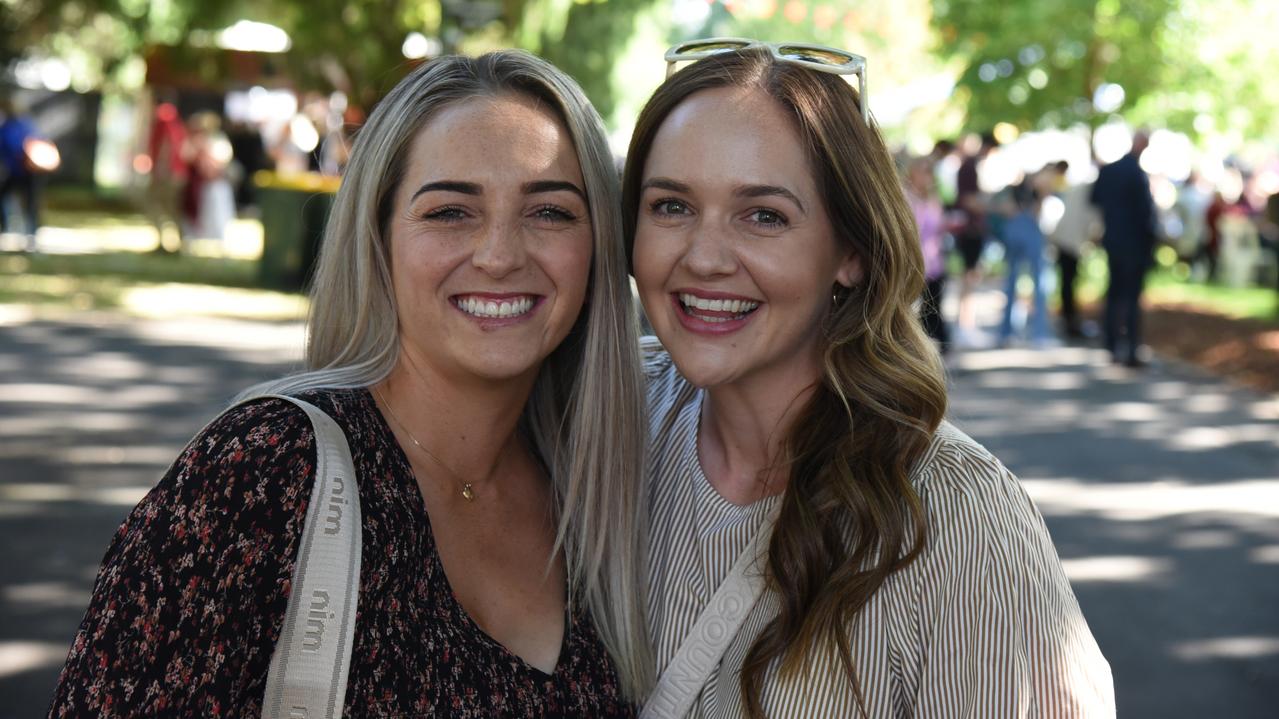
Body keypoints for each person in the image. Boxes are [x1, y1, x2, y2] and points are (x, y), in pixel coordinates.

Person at [48, 51, 650, 717]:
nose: (501, 254)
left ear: (599, 247)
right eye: (450, 211)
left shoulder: (603, 490)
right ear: (378, 236)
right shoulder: (262, 472)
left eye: (551, 213)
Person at [622, 41, 1113, 717]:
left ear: (849, 251)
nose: (703, 257)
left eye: (763, 215)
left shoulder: (959, 518)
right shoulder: (608, 421)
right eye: (671, 206)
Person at [1090, 130, 1159, 367]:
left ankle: (1111, 343)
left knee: (1114, 292)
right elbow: (1145, 214)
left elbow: (1095, 199)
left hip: (1114, 241)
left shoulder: (1109, 171)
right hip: (1133, 243)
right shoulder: (1136, 174)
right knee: (1130, 296)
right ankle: (1130, 346)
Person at [952, 131, 998, 347]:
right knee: (969, 277)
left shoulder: (968, 167)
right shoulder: (969, 167)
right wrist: (992, 206)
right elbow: (969, 200)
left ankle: (966, 325)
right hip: (971, 230)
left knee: (970, 277)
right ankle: (965, 326)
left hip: (971, 229)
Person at [997, 179, 1054, 347]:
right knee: (1037, 283)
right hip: (1025, 229)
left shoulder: (1017, 189)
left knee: (1014, 282)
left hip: (1017, 229)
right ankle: (1037, 334)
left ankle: (1007, 333)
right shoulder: (1025, 188)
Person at [904, 155, 949, 353]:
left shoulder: (933, 198)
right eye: (922, 172)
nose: (926, 177)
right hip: (913, 262)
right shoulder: (905, 196)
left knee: (934, 308)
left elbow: (938, 226)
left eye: (929, 173)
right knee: (911, 310)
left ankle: (937, 350)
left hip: (934, 262)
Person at [0, 97, 45, 245]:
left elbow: (8, 147)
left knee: (10, 199)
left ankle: (14, 231)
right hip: (30, 170)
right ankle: (29, 236)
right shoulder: (27, 124)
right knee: (30, 203)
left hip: (19, 170)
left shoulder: (8, 126)